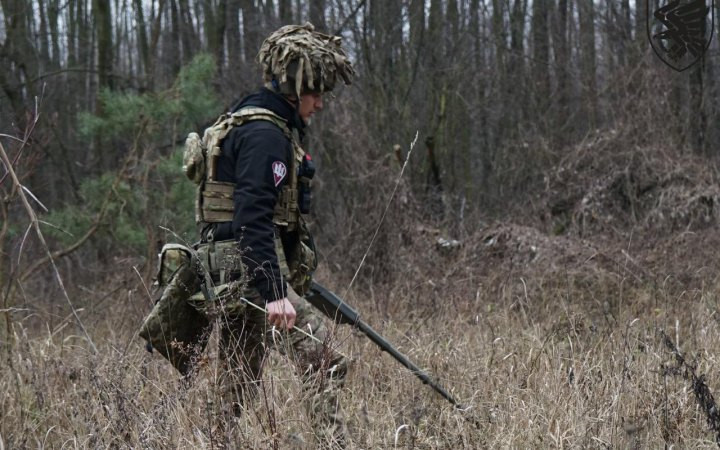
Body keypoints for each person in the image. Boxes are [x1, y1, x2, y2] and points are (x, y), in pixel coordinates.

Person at [189, 23, 355, 446]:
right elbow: (252, 217)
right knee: (325, 360)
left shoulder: (253, 119)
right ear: (294, 86)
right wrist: (275, 291)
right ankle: (334, 443)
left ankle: (214, 441)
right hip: (247, 269)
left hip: (234, 267)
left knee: (236, 381)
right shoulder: (265, 135)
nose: (320, 103)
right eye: (316, 91)